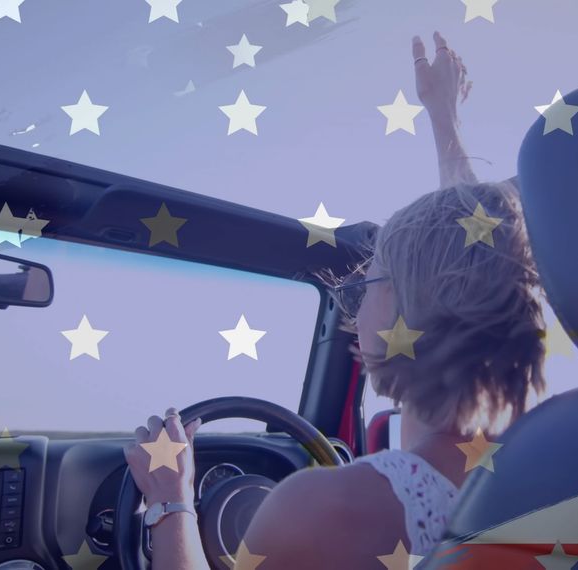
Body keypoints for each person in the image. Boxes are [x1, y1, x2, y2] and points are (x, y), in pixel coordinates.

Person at [123, 32, 548, 569]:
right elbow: (481, 260)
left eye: (363, 286)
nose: (351, 314)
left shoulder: (328, 509)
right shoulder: (541, 476)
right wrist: (443, 117)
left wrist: (169, 499)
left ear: (404, 308)